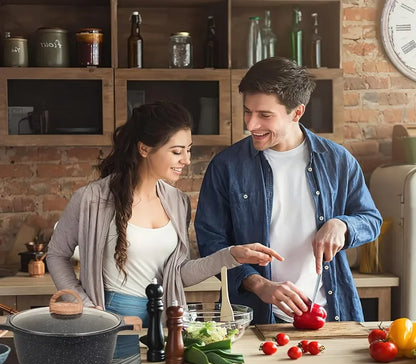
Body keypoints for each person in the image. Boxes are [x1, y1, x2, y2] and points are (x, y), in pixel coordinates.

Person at [47, 101, 282, 335]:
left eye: (188, 150)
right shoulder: (92, 199)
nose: (186, 160)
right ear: (144, 149)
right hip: (112, 321)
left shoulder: (177, 202)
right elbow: (56, 254)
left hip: (165, 321)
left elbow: (177, 274)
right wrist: (87, 307)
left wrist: (230, 256)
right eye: (177, 151)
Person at [194, 57, 382, 325]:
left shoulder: (337, 160)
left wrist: (342, 225)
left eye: (265, 116)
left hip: (330, 315)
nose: (250, 125)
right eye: (248, 111)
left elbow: (371, 219)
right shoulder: (226, 167)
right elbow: (211, 243)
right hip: (258, 320)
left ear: (297, 112)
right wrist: (259, 284)